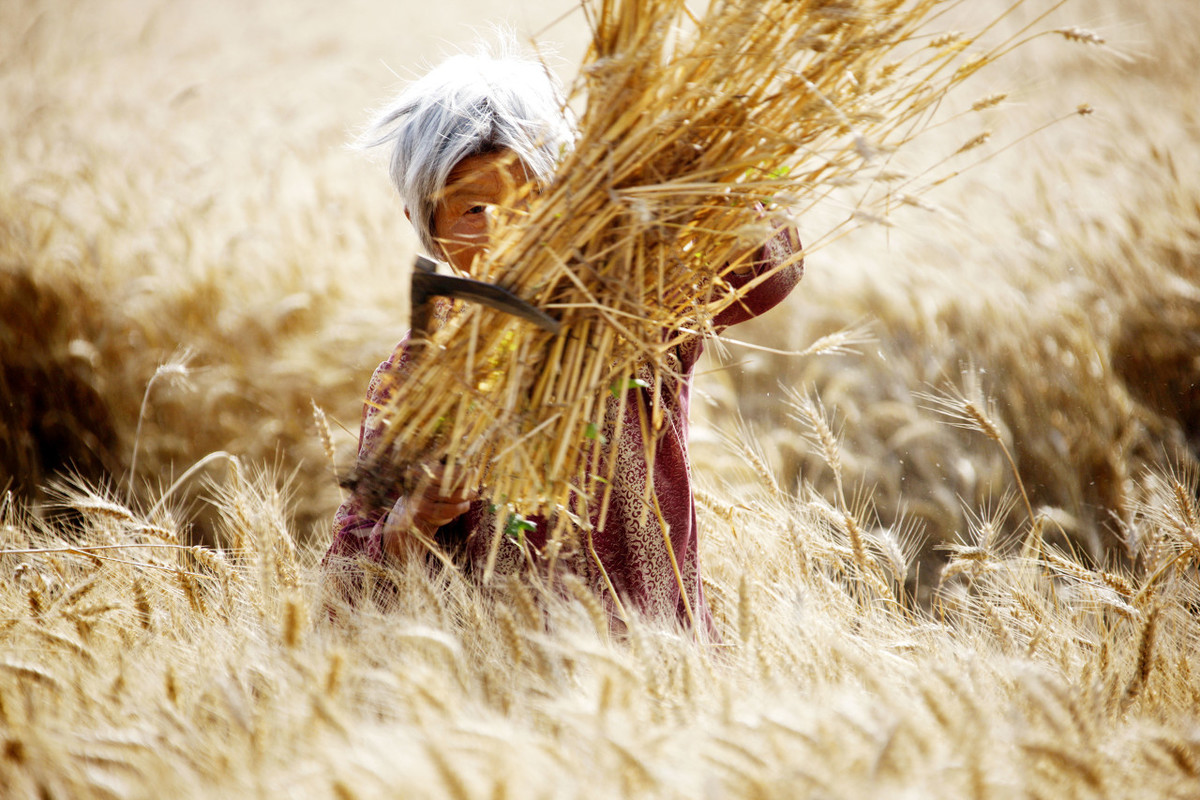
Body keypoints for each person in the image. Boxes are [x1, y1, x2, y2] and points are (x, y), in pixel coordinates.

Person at [323, 47, 803, 636]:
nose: (508, 230)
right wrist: (408, 524)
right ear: (425, 226)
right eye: (473, 208)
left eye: (533, 200)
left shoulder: (634, 311)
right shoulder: (419, 375)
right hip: (511, 687)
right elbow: (345, 587)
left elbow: (770, 268)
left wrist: (704, 190)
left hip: (664, 661)